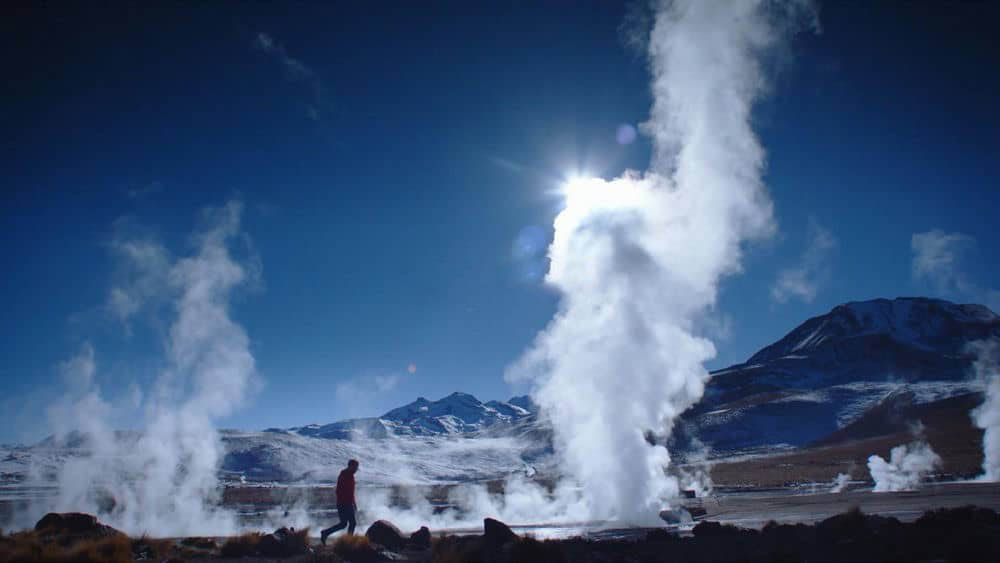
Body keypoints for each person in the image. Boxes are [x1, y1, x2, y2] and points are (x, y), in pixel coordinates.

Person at [320, 459, 359, 545]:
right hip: (344, 503)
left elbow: (351, 492)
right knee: (352, 523)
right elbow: (339, 490)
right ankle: (349, 542)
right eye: (356, 467)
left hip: (347, 503)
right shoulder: (344, 475)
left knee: (343, 524)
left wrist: (354, 503)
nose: (357, 469)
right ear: (351, 466)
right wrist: (347, 502)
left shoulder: (350, 475)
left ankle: (325, 533)